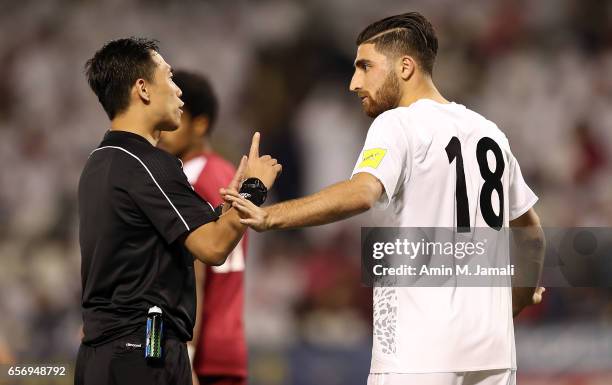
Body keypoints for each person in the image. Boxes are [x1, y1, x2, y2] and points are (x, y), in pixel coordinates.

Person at [223, 13, 545, 385]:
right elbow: (531, 234)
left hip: (420, 347)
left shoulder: (398, 123)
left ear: (405, 67)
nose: (353, 82)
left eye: (365, 67)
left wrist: (269, 217)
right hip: (493, 350)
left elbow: (362, 193)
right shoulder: (489, 134)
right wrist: (516, 300)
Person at [76, 37, 280, 385]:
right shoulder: (150, 163)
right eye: (169, 78)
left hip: (99, 354)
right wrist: (255, 188)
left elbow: (145, 250)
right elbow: (212, 248)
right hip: (144, 353)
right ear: (142, 89)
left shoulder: (99, 161)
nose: (178, 92)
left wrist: (223, 209)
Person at [158, 70, 248, 385]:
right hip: (230, 344)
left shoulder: (189, 181)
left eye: (175, 118)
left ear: (200, 123)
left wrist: (187, 354)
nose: (164, 129)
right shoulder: (226, 174)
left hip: (198, 351)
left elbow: (193, 272)